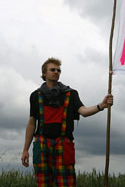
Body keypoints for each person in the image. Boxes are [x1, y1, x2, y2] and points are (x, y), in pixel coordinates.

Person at [21, 57, 113, 187]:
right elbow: (32, 123)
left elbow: (84, 111)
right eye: (52, 69)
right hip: (41, 144)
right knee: (42, 183)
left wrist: (101, 106)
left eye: (58, 70)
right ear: (44, 74)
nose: (56, 72)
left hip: (64, 144)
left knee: (66, 183)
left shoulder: (71, 94)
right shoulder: (35, 96)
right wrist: (25, 149)